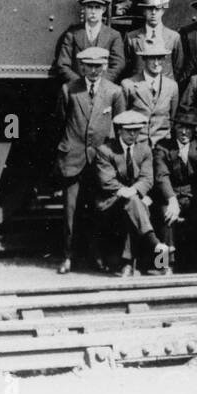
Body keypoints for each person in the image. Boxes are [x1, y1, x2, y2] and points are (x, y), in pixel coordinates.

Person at [53, 46, 125, 273]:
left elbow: (118, 128)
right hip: (73, 158)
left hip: (100, 161)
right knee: (70, 211)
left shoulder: (114, 92)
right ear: (82, 67)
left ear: (105, 67)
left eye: (98, 66)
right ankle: (67, 257)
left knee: (99, 211)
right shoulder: (69, 90)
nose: (94, 70)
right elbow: (60, 123)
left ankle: (97, 256)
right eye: (89, 66)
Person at [91, 109, 170, 277]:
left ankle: (128, 265)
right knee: (133, 204)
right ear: (119, 130)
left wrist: (134, 192)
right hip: (110, 202)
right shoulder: (105, 150)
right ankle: (157, 250)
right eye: (128, 130)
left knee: (133, 209)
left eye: (136, 130)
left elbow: (147, 178)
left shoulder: (145, 150)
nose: (133, 134)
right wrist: (128, 192)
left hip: (133, 202)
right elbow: (107, 181)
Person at [152, 107, 197, 272]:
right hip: (170, 195)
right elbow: (161, 176)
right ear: (174, 128)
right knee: (166, 214)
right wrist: (171, 200)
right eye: (180, 127)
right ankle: (164, 264)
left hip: (192, 196)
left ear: (194, 130)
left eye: (188, 128)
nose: (184, 132)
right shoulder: (163, 147)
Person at [53, 0, 125, 86]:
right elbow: (63, 64)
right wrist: (81, 84)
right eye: (90, 7)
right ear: (84, 9)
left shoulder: (114, 35)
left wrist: (101, 84)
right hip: (77, 88)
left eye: (97, 7)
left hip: (103, 88)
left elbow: (118, 64)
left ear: (103, 10)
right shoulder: (72, 34)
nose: (93, 11)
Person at [120, 40, 179, 147]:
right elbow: (121, 119)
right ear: (144, 59)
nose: (156, 63)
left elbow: (172, 118)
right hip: (137, 145)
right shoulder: (129, 85)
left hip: (163, 147)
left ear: (165, 59)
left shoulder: (172, 86)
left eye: (160, 58)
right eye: (152, 58)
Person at [123, 0, 183, 79]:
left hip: (165, 90)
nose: (154, 12)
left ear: (163, 10)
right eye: (150, 9)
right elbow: (127, 68)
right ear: (144, 11)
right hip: (139, 88)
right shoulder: (132, 38)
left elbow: (178, 68)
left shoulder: (174, 37)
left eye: (157, 8)